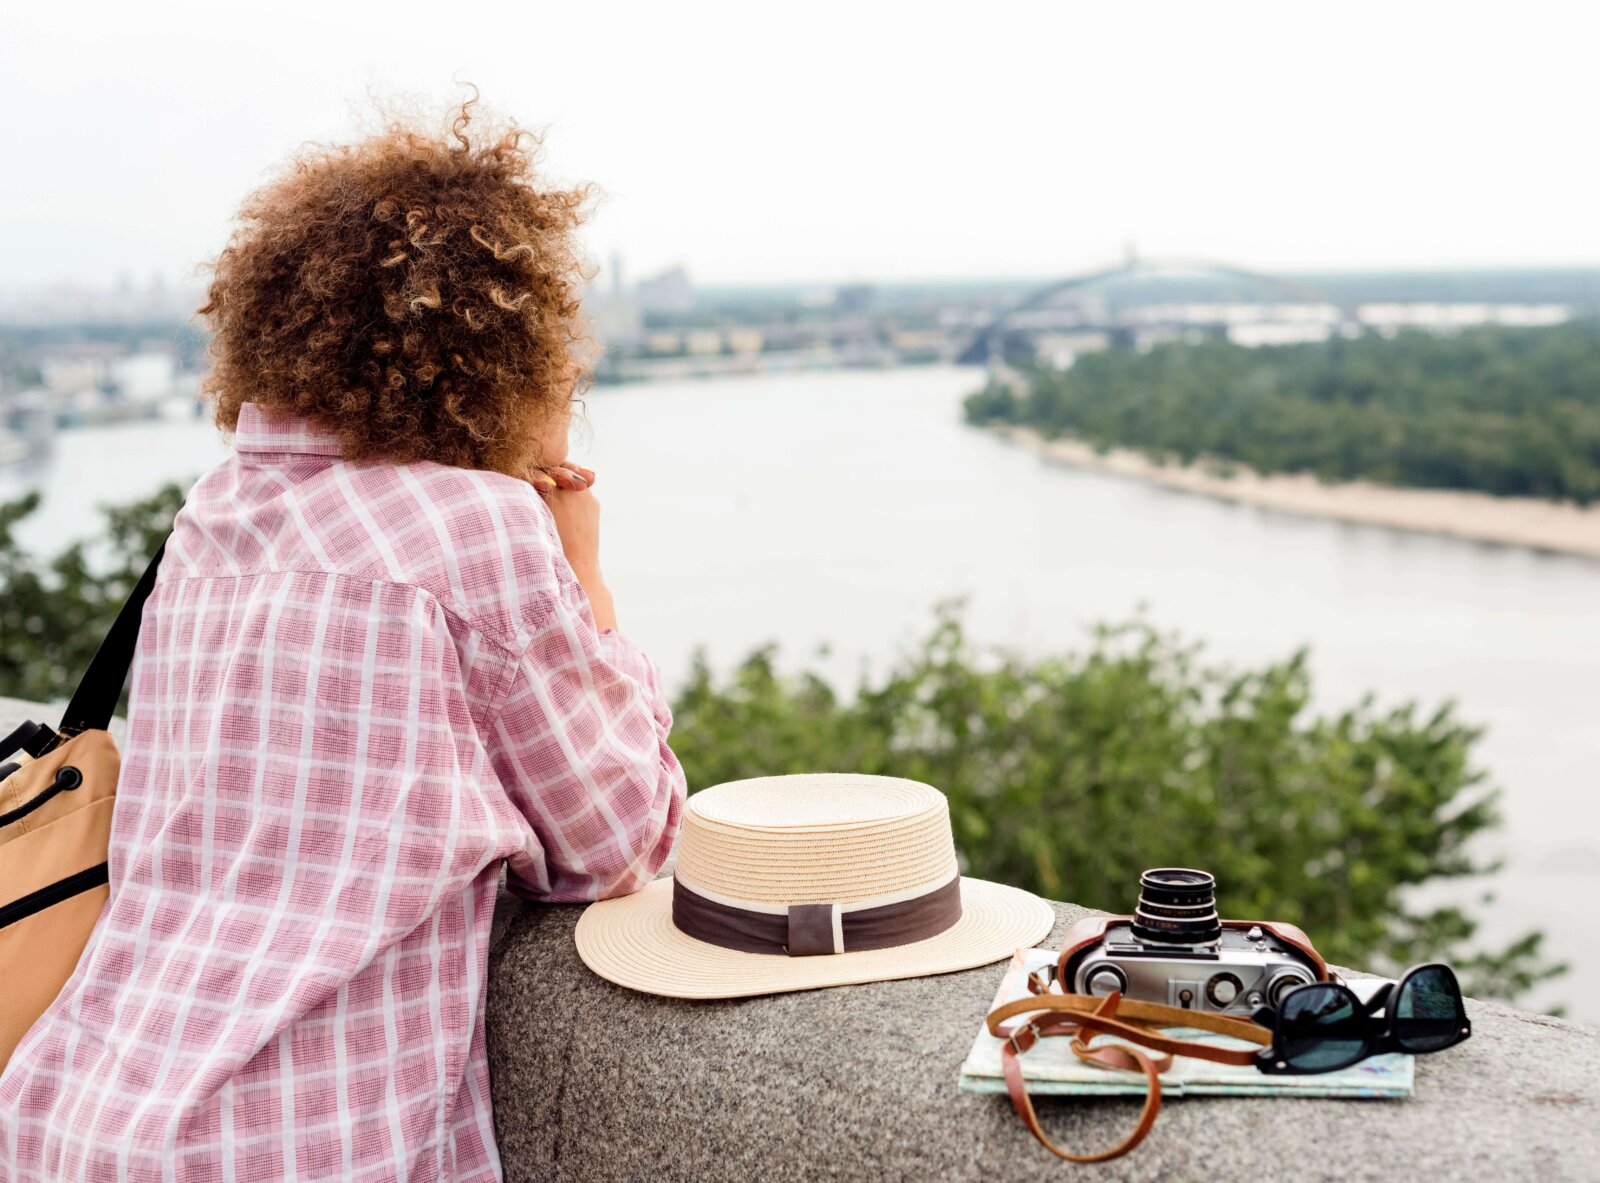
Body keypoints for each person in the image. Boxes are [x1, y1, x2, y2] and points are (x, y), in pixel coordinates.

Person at [0, 99, 686, 1182]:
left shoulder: (215, 516)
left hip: (67, 1111)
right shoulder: (476, 529)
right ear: (501, 354)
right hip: (284, 1144)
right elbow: (618, 837)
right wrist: (582, 571)